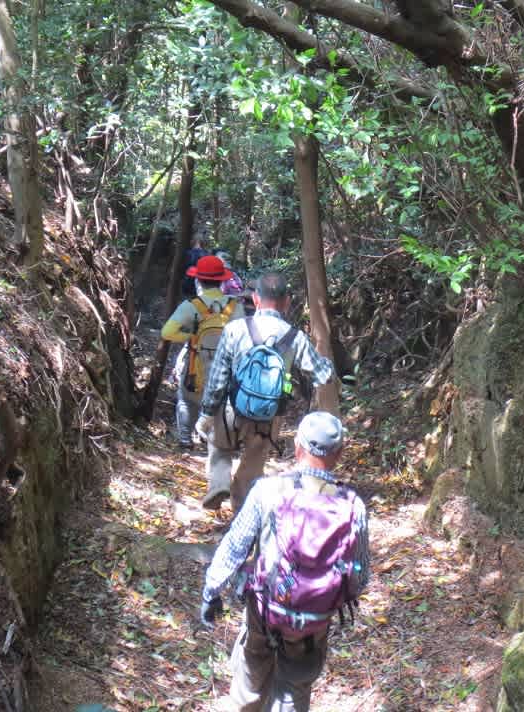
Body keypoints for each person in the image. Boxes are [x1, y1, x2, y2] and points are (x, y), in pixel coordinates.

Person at [200, 412, 370, 712]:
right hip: (313, 623)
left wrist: (211, 592)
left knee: (248, 685)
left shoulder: (269, 491)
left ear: (297, 446)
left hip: (265, 610)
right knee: (294, 691)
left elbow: (235, 546)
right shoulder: (353, 506)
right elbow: (361, 576)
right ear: (340, 454)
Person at [194, 273, 335, 511]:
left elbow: (218, 377)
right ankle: (240, 515)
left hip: (232, 409)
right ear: (287, 301)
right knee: (252, 467)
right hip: (269, 417)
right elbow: (323, 375)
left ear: (256, 299)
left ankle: (219, 483)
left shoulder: (235, 329)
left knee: (219, 447)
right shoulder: (295, 337)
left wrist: (207, 414)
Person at [161, 255, 245, 449]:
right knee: (222, 402)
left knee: (185, 399)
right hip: (225, 367)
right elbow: (242, 337)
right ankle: (214, 440)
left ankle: (184, 439)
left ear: (198, 280)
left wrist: (191, 336)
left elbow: (167, 332)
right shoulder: (235, 306)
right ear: (222, 280)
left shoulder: (191, 306)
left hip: (195, 363)